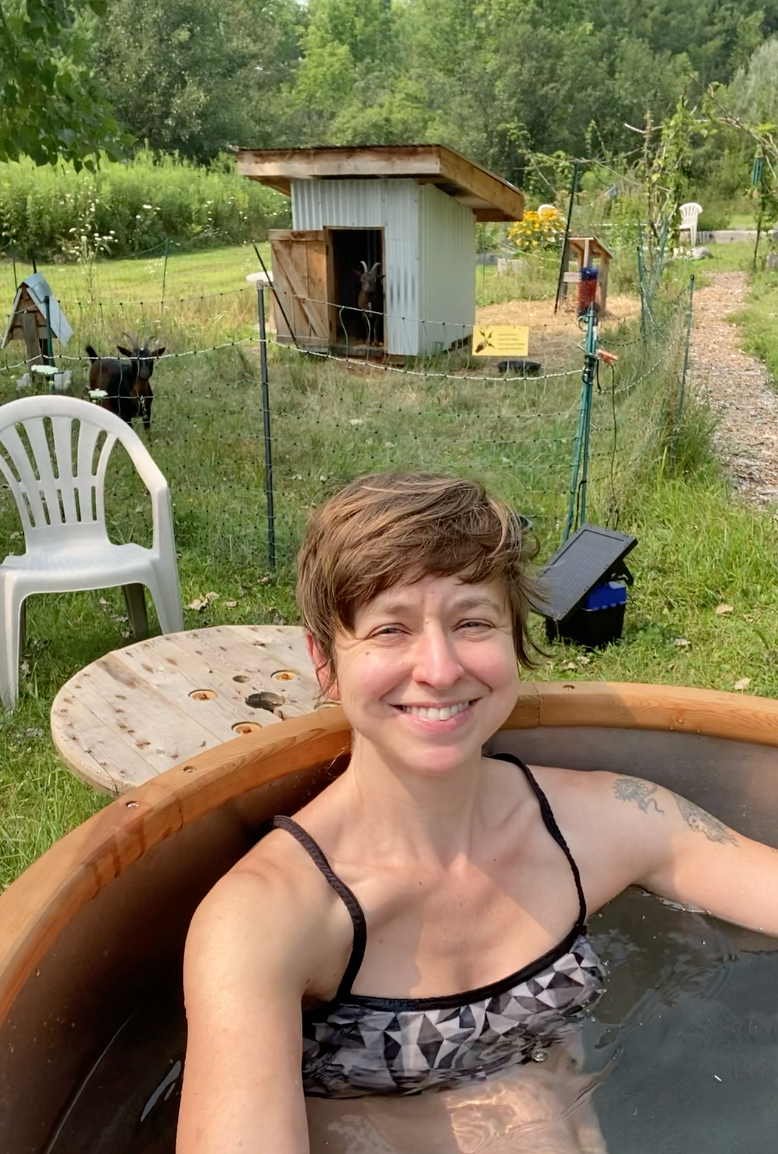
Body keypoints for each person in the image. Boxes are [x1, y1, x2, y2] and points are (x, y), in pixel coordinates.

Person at [177, 472, 778, 1154]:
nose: (438, 667)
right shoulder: (268, 919)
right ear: (325, 664)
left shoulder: (605, 821)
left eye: (472, 622)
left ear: (514, 639)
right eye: (390, 629)